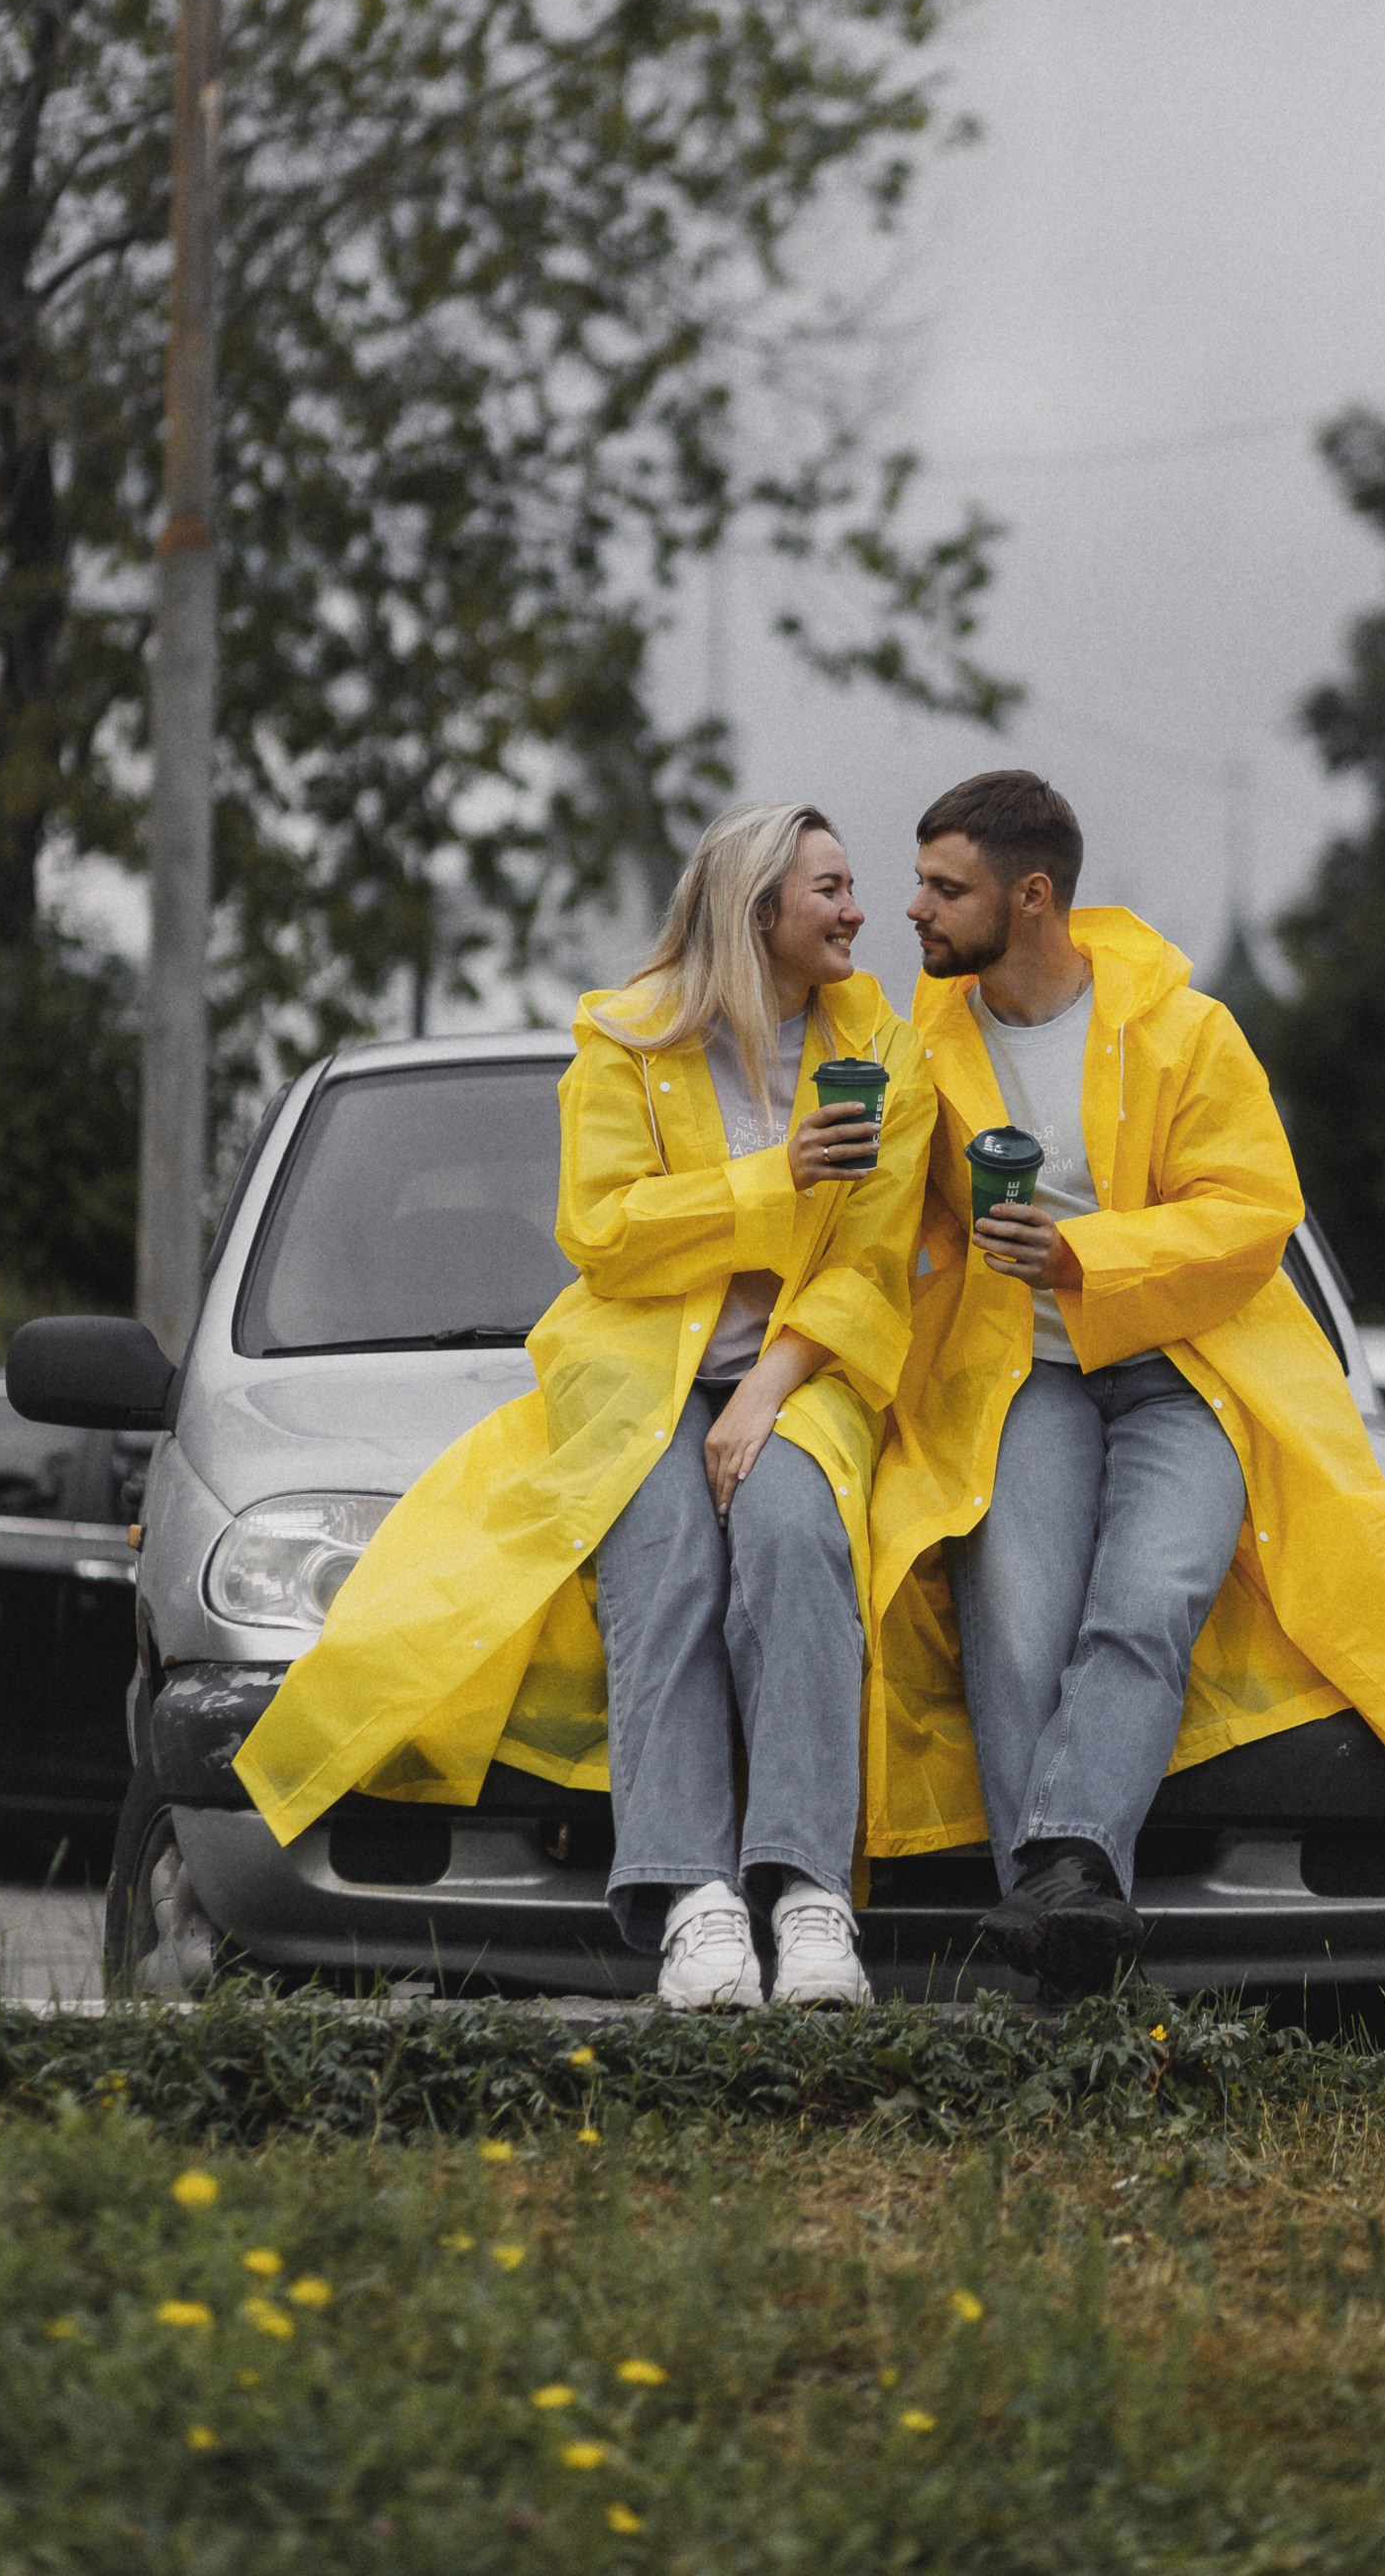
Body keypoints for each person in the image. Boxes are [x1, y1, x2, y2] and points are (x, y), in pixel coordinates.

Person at [864, 769, 1385, 1995]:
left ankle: (1060, 1875)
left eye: (944, 888)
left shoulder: (1184, 1031)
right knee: (1009, 1616)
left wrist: (1079, 1253)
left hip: (1188, 1374)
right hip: (1023, 1377)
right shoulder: (923, 1045)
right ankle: (1063, 1923)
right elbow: (896, 1220)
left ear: (1032, 896)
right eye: (920, 885)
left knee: (1150, 1593)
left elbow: (1252, 1214)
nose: (915, 909)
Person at [237, 805, 934, 2011]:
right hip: (638, 1367)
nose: (855, 911)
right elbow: (601, 1233)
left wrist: (762, 1395)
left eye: (850, 886)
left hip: (800, 1369)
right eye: (829, 888)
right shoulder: (625, 1039)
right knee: (662, 1554)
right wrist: (771, 1179)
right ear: (756, 907)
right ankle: (694, 1902)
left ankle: (808, 1896)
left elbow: (870, 1264)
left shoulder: (882, 1050)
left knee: (794, 1534)